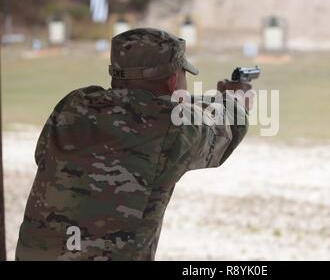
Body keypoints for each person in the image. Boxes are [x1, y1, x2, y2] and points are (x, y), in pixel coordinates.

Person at [15, 28, 252, 260]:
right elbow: (225, 130)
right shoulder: (173, 129)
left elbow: (147, 109)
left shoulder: (72, 106)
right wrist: (235, 99)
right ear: (172, 81)